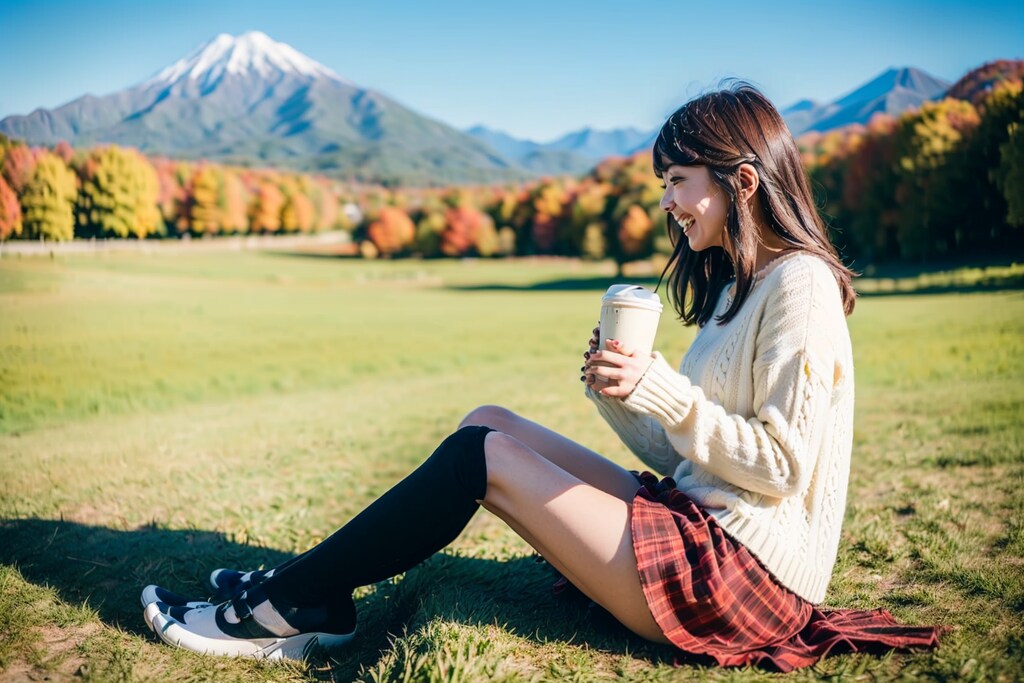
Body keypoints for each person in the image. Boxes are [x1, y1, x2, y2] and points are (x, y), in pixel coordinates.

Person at [140, 82, 941, 671]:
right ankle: (303, 583)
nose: (669, 203)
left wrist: (663, 388)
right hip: (706, 526)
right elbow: (692, 460)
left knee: (477, 461)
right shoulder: (740, 285)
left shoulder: (798, 285)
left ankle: (292, 605)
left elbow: (781, 467)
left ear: (741, 179)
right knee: (489, 419)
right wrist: (620, 393)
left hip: (744, 576)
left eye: (678, 181)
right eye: (665, 184)